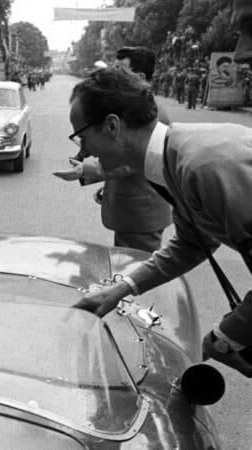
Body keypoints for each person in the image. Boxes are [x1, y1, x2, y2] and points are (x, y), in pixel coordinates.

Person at [68, 67, 252, 378]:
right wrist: (120, 290)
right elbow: (194, 243)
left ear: (112, 125)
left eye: (82, 136)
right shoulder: (175, 158)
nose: (83, 151)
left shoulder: (201, 166)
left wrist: (222, 339)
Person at [54, 47, 172, 253]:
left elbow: (135, 162)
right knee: (125, 268)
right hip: (129, 211)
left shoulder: (153, 113)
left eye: (120, 70)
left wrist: (88, 170)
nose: (112, 74)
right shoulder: (130, 108)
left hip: (142, 214)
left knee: (135, 272)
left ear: (139, 77)